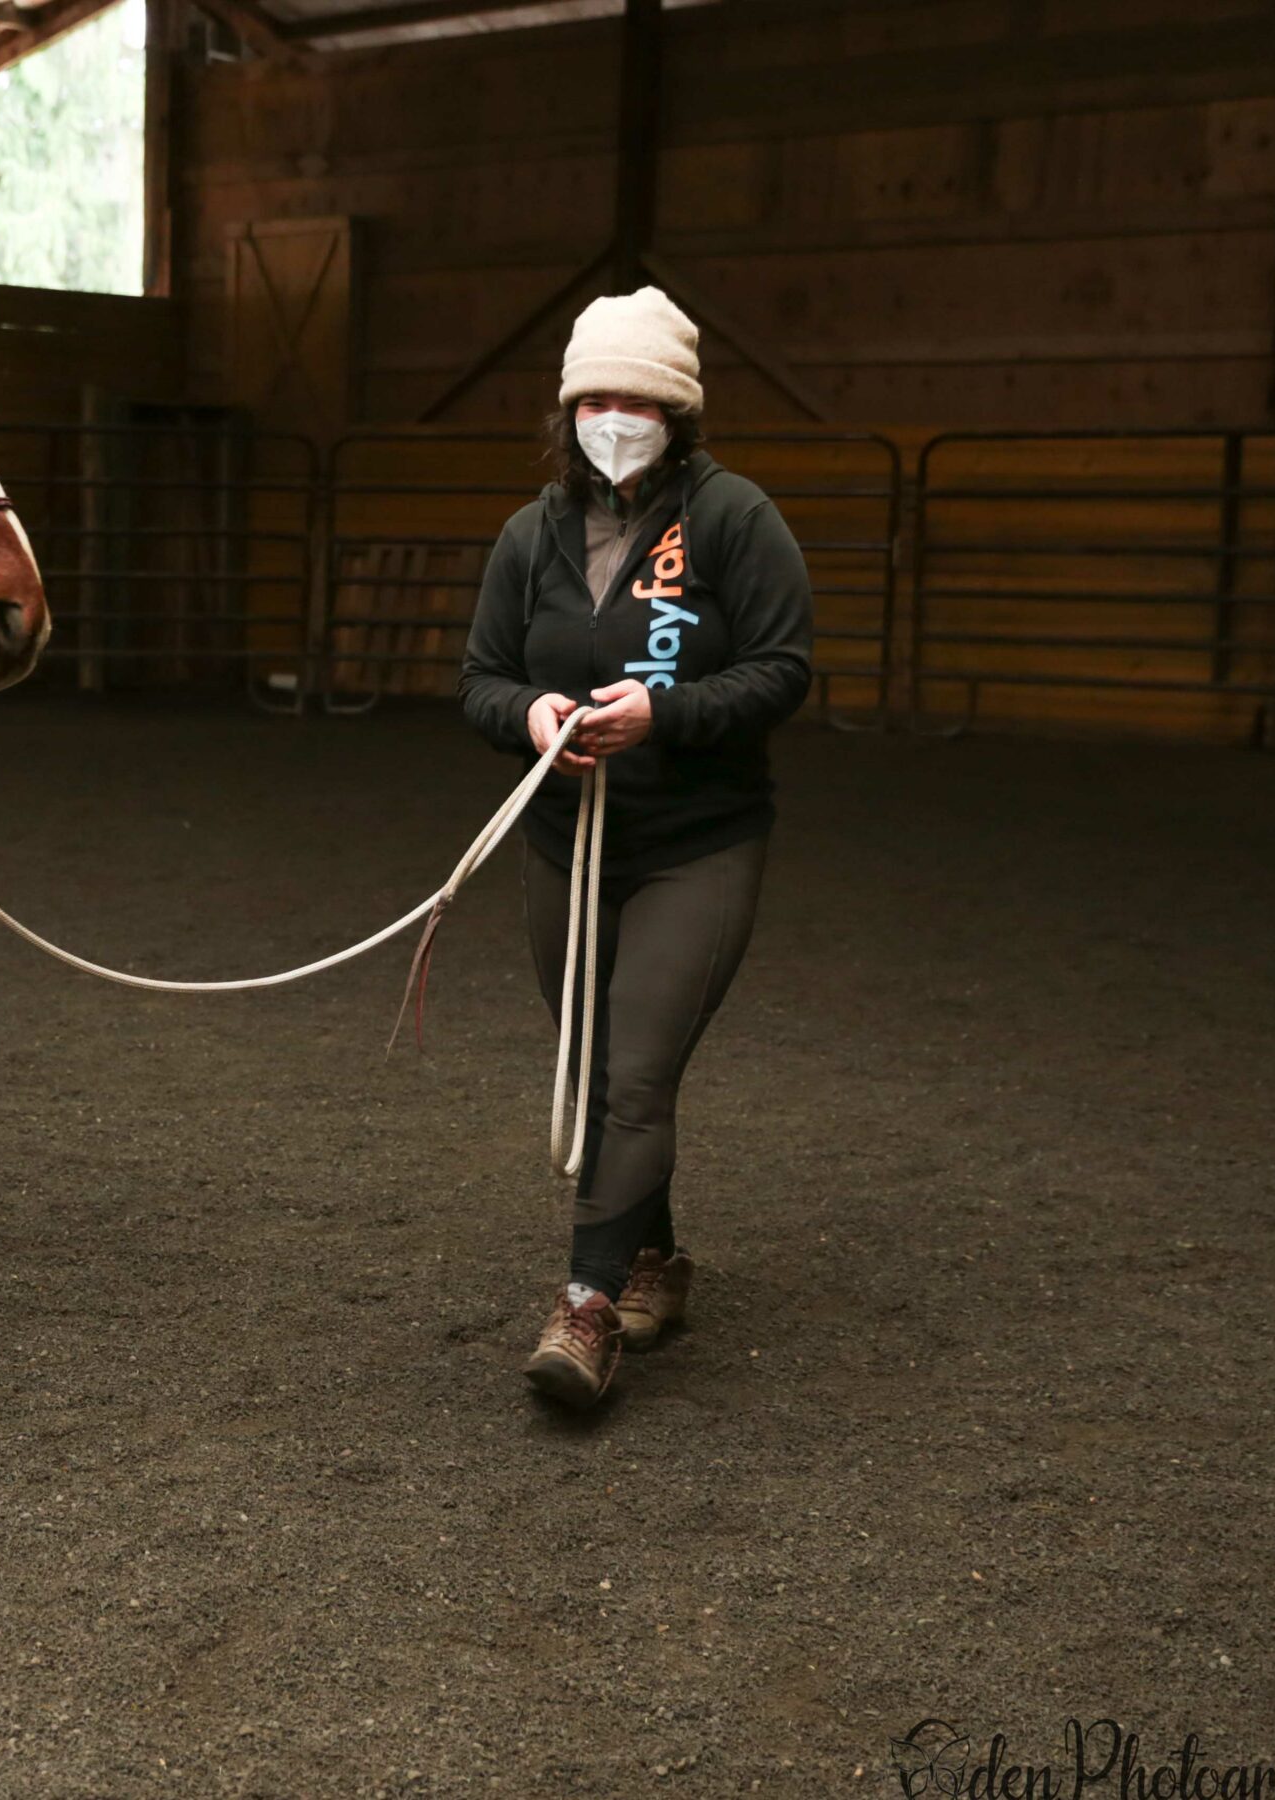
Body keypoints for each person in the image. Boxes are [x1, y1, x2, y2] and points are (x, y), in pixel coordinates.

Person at [458, 287, 814, 1409]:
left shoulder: (734, 520)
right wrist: (532, 719)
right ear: (568, 411)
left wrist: (665, 714)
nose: (614, 416)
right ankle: (655, 1257)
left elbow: (781, 668)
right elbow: (480, 675)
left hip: (695, 846)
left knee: (638, 1072)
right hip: (566, 843)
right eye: (594, 398)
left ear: (677, 411)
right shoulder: (531, 535)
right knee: (602, 1069)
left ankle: (589, 1307)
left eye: (637, 399)